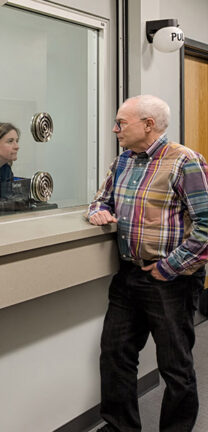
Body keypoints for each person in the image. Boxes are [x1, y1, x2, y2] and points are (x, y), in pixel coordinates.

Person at [88, 94, 208, 431]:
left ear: (148, 125)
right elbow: (100, 199)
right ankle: (120, 427)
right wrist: (99, 211)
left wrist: (168, 267)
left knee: (176, 366)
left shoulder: (185, 162)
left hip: (171, 281)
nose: (115, 129)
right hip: (128, 278)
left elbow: (206, 226)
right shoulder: (124, 161)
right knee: (115, 356)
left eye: (121, 123)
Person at [0, 122, 20, 201]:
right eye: (10, 141)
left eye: (17, 141)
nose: (17, 147)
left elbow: (8, 199)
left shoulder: (5, 169)